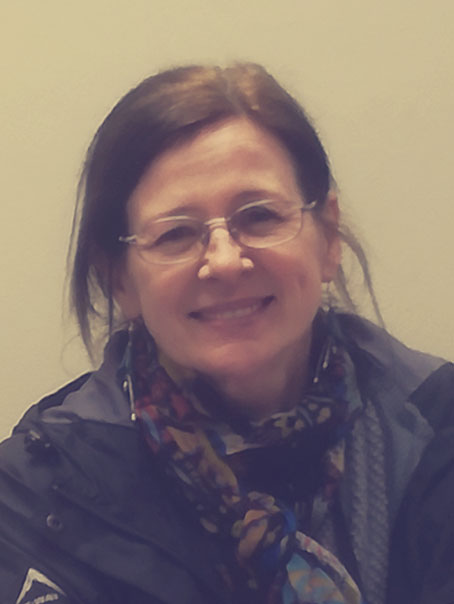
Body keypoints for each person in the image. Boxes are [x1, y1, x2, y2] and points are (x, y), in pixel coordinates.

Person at [0, 63, 453, 604]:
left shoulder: (437, 430)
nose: (225, 261)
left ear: (328, 236)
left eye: (259, 216)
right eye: (176, 233)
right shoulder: (34, 497)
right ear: (120, 278)